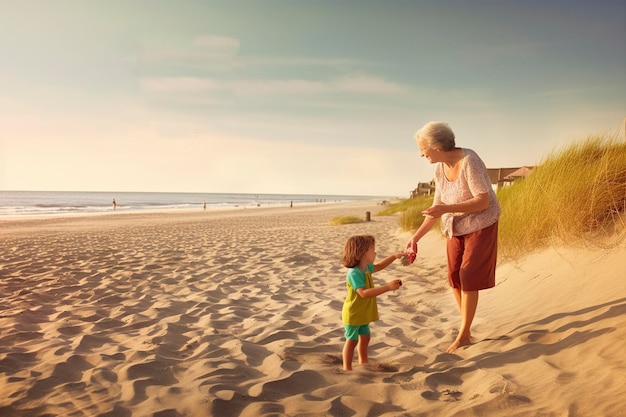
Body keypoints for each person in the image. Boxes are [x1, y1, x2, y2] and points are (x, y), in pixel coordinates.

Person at [407, 121, 500, 353]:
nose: (421, 154)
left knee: (468, 274)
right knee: (453, 276)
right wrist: (415, 238)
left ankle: (464, 334)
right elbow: (437, 207)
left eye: (423, 148)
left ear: (436, 145)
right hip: (455, 226)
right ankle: (466, 328)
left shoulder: (470, 161)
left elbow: (483, 200)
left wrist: (446, 209)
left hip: (481, 223)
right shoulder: (439, 169)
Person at [341, 235, 403, 371]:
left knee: (365, 337)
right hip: (354, 313)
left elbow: (379, 266)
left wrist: (394, 256)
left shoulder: (366, 268)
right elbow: (363, 293)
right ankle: (347, 368)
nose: (375, 252)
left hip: (363, 313)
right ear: (362, 253)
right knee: (352, 340)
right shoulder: (354, 273)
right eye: (373, 250)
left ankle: (363, 363)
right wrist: (387, 287)